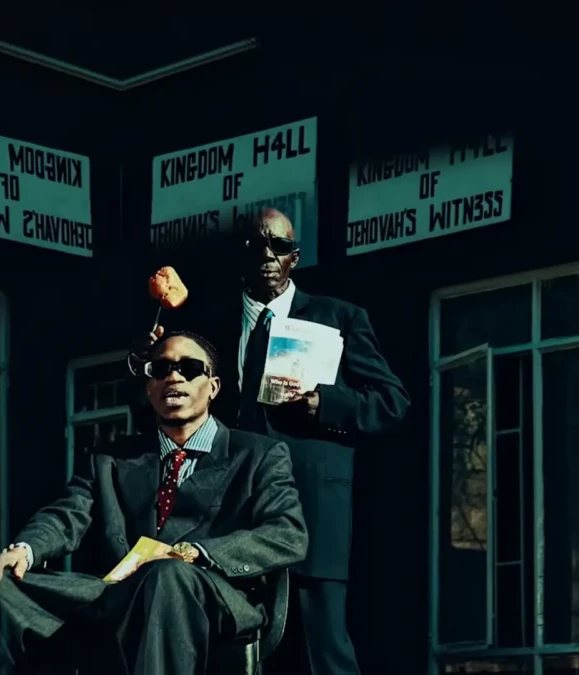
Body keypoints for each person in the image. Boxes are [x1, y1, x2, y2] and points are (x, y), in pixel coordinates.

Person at [132, 208, 410, 675]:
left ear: (294, 257)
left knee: (323, 651)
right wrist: (146, 361)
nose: (267, 255)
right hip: (230, 513)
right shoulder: (210, 331)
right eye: (255, 245)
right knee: (238, 653)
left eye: (278, 246)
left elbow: (392, 401)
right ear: (239, 256)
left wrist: (326, 404)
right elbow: (172, 407)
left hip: (313, 508)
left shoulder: (338, 317)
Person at [0, 331, 308, 675]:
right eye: (161, 369)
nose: (174, 376)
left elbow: (287, 534)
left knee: (166, 574)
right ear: (150, 388)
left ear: (213, 387)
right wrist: (26, 549)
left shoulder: (258, 454)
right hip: (120, 591)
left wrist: (196, 553)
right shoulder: (110, 459)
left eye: (189, 368)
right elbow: (67, 515)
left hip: (212, 594)